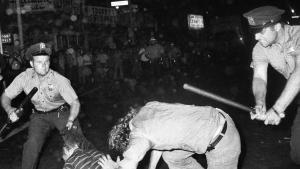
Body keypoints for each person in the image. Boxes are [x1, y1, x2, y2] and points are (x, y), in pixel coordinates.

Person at [1, 42, 88, 169]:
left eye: (46, 62)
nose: (44, 66)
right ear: (31, 64)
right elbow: (5, 96)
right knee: (31, 145)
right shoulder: (24, 77)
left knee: (77, 143)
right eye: (39, 62)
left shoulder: (59, 79)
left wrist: (71, 119)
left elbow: (75, 102)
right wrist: (9, 109)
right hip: (39, 116)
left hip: (61, 113)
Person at [98, 101, 241, 169]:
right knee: (171, 156)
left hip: (223, 142)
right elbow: (157, 142)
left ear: (129, 139)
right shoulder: (149, 107)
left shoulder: (138, 133)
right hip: (219, 117)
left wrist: (114, 168)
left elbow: (130, 163)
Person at [243, 6, 300, 164]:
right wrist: (260, 103)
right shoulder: (260, 48)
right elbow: (260, 77)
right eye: (254, 31)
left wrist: (277, 109)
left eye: (260, 31)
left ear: (276, 26)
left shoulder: (298, 34)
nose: (256, 36)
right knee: (297, 154)